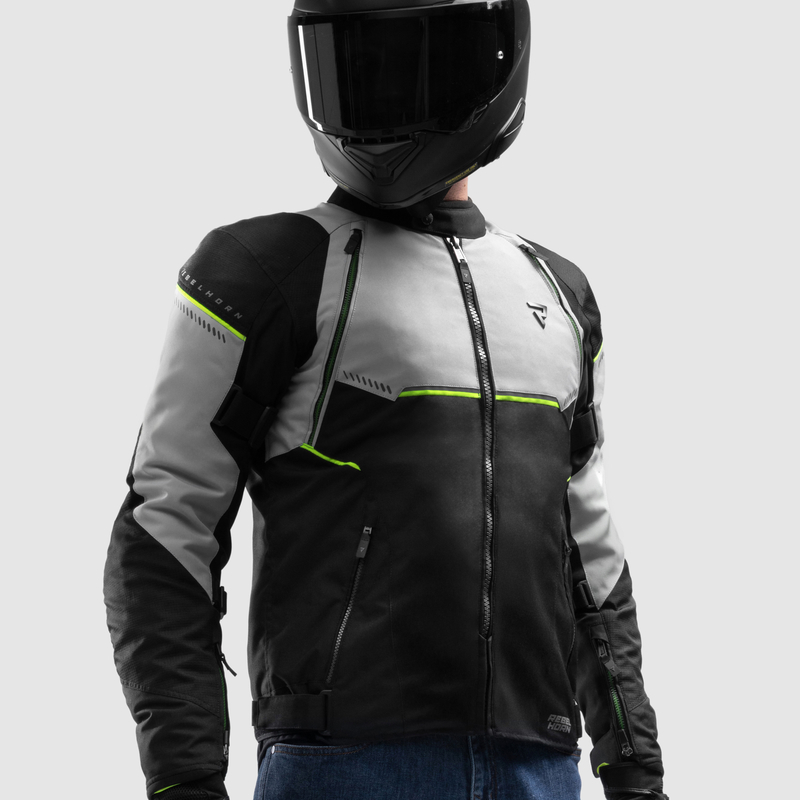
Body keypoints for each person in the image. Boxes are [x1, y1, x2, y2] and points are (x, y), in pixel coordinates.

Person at [104, 1, 668, 798]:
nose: (378, 91)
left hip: (539, 764)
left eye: (403, 63)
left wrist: (636, 769)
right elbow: (165, 526)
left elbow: (590, 556)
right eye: (354, 63)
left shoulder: (559, 293)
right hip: (343, 763)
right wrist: (186, 778)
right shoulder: (263, 271)